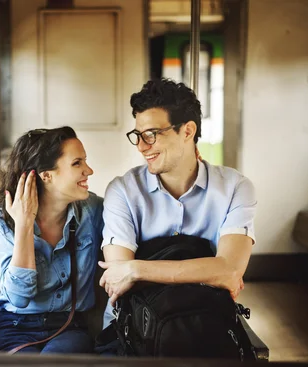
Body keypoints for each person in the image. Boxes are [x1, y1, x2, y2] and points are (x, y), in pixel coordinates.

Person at [99, 78, 257, 328]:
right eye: (137, 135)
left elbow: (230, 270)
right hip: (131, 332)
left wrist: (137, 270)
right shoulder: (124, 191)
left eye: (151, 135)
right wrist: (209, 272)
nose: (141, 147)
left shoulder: (235, 188)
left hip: (205, 326)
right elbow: (117, 278)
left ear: (187, 131)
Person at [0, 126, 104, 353]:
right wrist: (24, 224)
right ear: (46, 175)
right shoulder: (2, 218)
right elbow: (18, 297)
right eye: (77, 163)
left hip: (70, 327)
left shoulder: (93, 211)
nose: (89, 170)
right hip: (16, 326)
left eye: (85, 161)